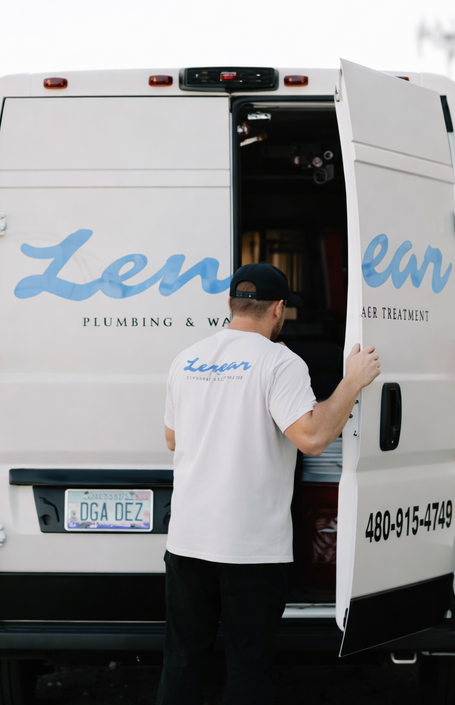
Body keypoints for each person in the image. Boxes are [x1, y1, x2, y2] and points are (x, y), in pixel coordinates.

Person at [156, 262, 380, 705]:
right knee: (247, 662)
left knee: (182, 659)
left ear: (231, 305)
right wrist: (352, 381)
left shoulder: (187, 358)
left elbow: (172, 438)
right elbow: (312, 437)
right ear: (278, 309)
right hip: (251, 549)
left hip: (187, 541)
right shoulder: (280, 362)